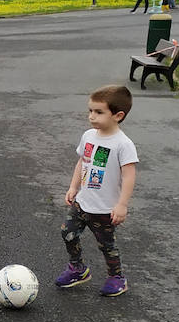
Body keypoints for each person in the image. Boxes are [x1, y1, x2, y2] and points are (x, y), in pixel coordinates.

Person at [55, 85, 139, 298]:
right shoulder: (89, 136)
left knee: (107, 246)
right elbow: (82, 162)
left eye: (99, 112)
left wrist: (122, 204)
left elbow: (129, 176)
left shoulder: (123, 144)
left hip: (104, 208)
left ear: (118, 116)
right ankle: (77, 269)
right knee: (67, 232)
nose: (92, 116)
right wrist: (73, 187)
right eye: (90, 111)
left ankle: (116, 277)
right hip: (83, 202)